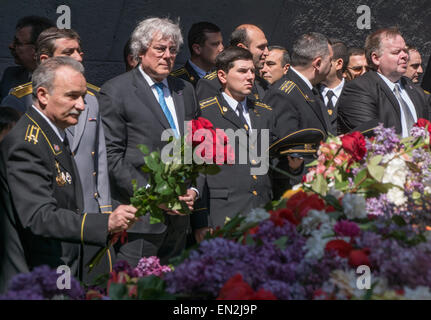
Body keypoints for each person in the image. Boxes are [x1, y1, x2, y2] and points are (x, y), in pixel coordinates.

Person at [0, 57, 138, 293]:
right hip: (33, 279)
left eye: (83, 97)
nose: (82, 106)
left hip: (57, 269)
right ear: (42, 95)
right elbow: (38, 217)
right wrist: (105, 222)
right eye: (72, 96)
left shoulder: (52, 134)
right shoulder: (28, 143)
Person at [98, 17, 200, 267]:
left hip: (179, 220)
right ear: (141, 51)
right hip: (140, 220)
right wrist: (154, 197)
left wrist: (193, 190)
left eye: (173, 50)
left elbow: (197, 147)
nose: (168, 55)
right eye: (160, 49)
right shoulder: (116, 91)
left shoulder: (184, 89)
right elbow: (111, 157)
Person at [196, 46, 275, 229]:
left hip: (260, 212)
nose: (250, 77)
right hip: (222, 214)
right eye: (242, 71)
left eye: (252, 71)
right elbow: (197, 170)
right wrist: (201, 222)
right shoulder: (205, 112)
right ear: (223, 76)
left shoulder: (264, 113)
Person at [263, 32, 333, 198]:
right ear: (318, 63)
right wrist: (296, 169)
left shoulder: (309, 89)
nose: (332, 64)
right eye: (330, 59)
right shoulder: (284, 93)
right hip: (296, 192)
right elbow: (283, 151)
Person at [337, 28, 430, 137]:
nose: (404, 56)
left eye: (404, 51)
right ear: (376, 58)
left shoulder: (415, 90)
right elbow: (371, 136)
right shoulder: (358, 89)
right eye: (396, 52)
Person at [196, 24, 270, 101]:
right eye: (261, 47)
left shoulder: (263, 84)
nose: (267, 52)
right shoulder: (210, 84)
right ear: (241, 48)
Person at [0, 16, 54, 100]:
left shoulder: (60, 80)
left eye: (18, 43)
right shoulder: (10, 76)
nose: (11, 46)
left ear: (38, 49)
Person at [171, 22, 223, 87]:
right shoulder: (176, 80)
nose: (221, 49)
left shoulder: (221, 77)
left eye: (221, 43)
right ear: (197, 49)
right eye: (215, 44)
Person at [318, 39, 348, 134]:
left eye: (321, 62)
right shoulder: (309, 92)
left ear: (338, 64)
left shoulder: (356, 93)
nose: (315, 66)